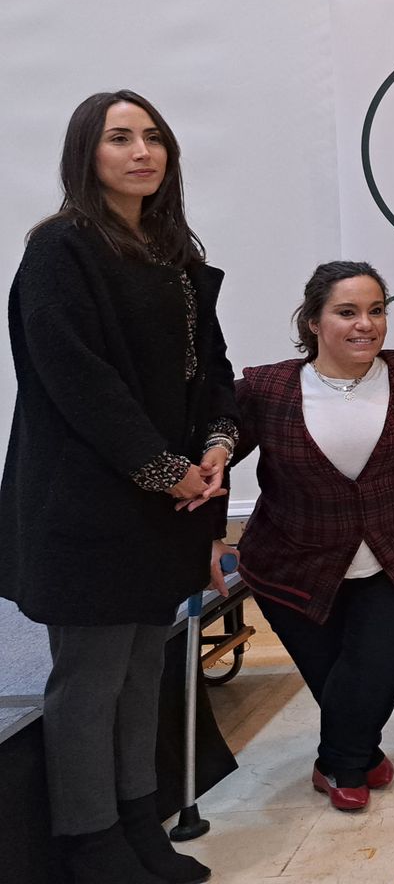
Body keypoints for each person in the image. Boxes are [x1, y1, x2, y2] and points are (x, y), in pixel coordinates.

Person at [0, 91, 236, 884]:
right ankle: (90, 840)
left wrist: (215, 447)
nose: (142, 151)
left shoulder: (171, 252)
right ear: (85, 154)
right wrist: (169, 472)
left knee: (146, 668)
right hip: (88, 505)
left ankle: (141, 820)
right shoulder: (60, 250)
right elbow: (81, 384)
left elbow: (214, 373)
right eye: (120, 138)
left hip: (166, 505)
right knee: (89, 678)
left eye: (154, 138)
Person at [228, 262, 394, 808]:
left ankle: (340, 766)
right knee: (337, 680)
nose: (365, 324)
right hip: (291, 564)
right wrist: (207, 536)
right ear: (314, 322)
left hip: (392, 554)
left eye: (376, 311)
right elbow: (214, 459)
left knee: (377, 671)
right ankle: (360, 755)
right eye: (347, 312)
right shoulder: (265, 388)